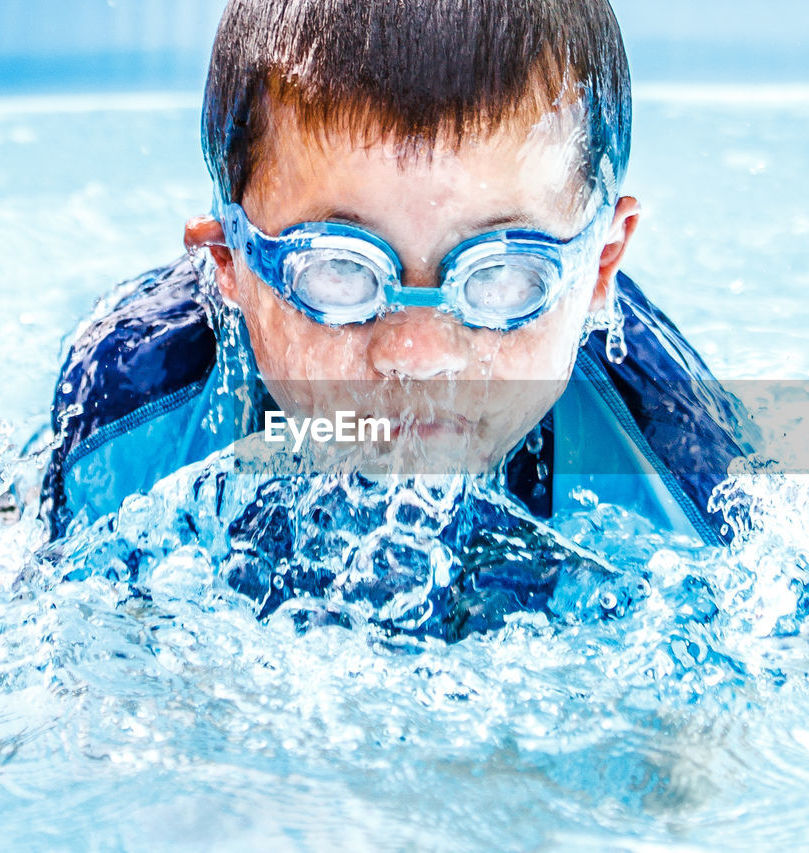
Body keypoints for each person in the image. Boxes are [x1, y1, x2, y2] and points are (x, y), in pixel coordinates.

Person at [41, 0, 749, 559]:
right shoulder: (133, 408)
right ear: (227, 262)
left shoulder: (681, 467)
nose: (418, 353)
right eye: (340, 270)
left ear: (600, 268)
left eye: (501, 273)